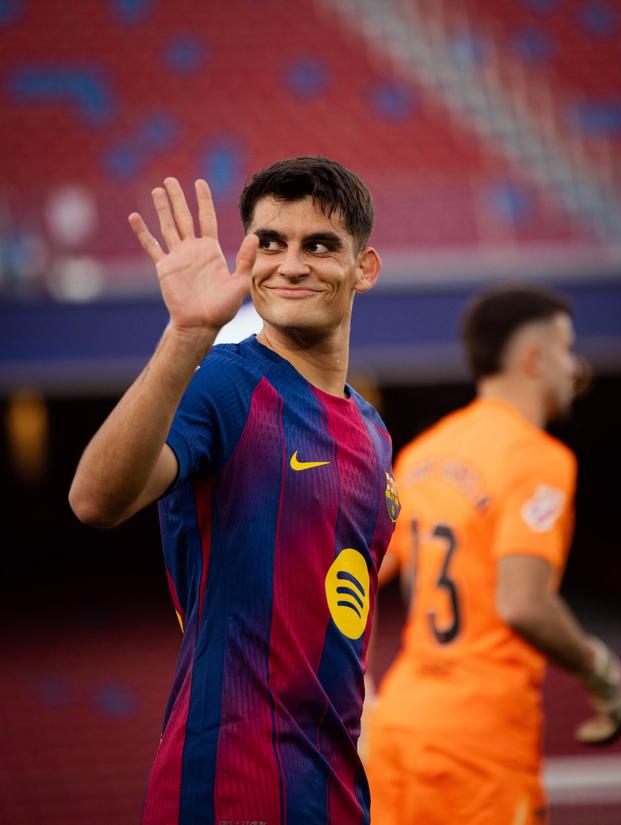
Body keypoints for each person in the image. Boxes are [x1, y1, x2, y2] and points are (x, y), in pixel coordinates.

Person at [68, 157, 399, 825]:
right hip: (230, 785)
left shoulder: (373, 432)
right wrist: (186, 335)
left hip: (335, 787)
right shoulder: (224, 382)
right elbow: (94, 500)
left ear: (364, 269)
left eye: (319, 245)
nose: (290, 265)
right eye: (270, 243)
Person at [366, 284, 621, 825]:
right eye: (566, 349)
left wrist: (363, 692)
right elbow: (522, 603)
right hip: (480, 749)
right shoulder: (538, 458)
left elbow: (358, 576)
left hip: (397, 727)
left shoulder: (424, 452)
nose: (574, 366)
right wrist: (601, 672)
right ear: (533, 358)